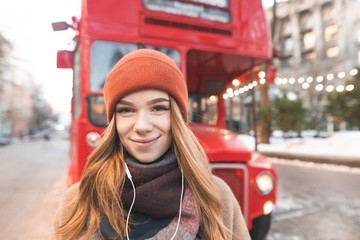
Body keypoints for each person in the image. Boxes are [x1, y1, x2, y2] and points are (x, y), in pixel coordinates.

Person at [51, 49, 251, 240]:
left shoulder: (216, 196)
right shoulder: (78, 199)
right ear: (114, 122)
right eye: (126, 110)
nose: (142, 126)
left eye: (158, 108)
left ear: (177, 117)